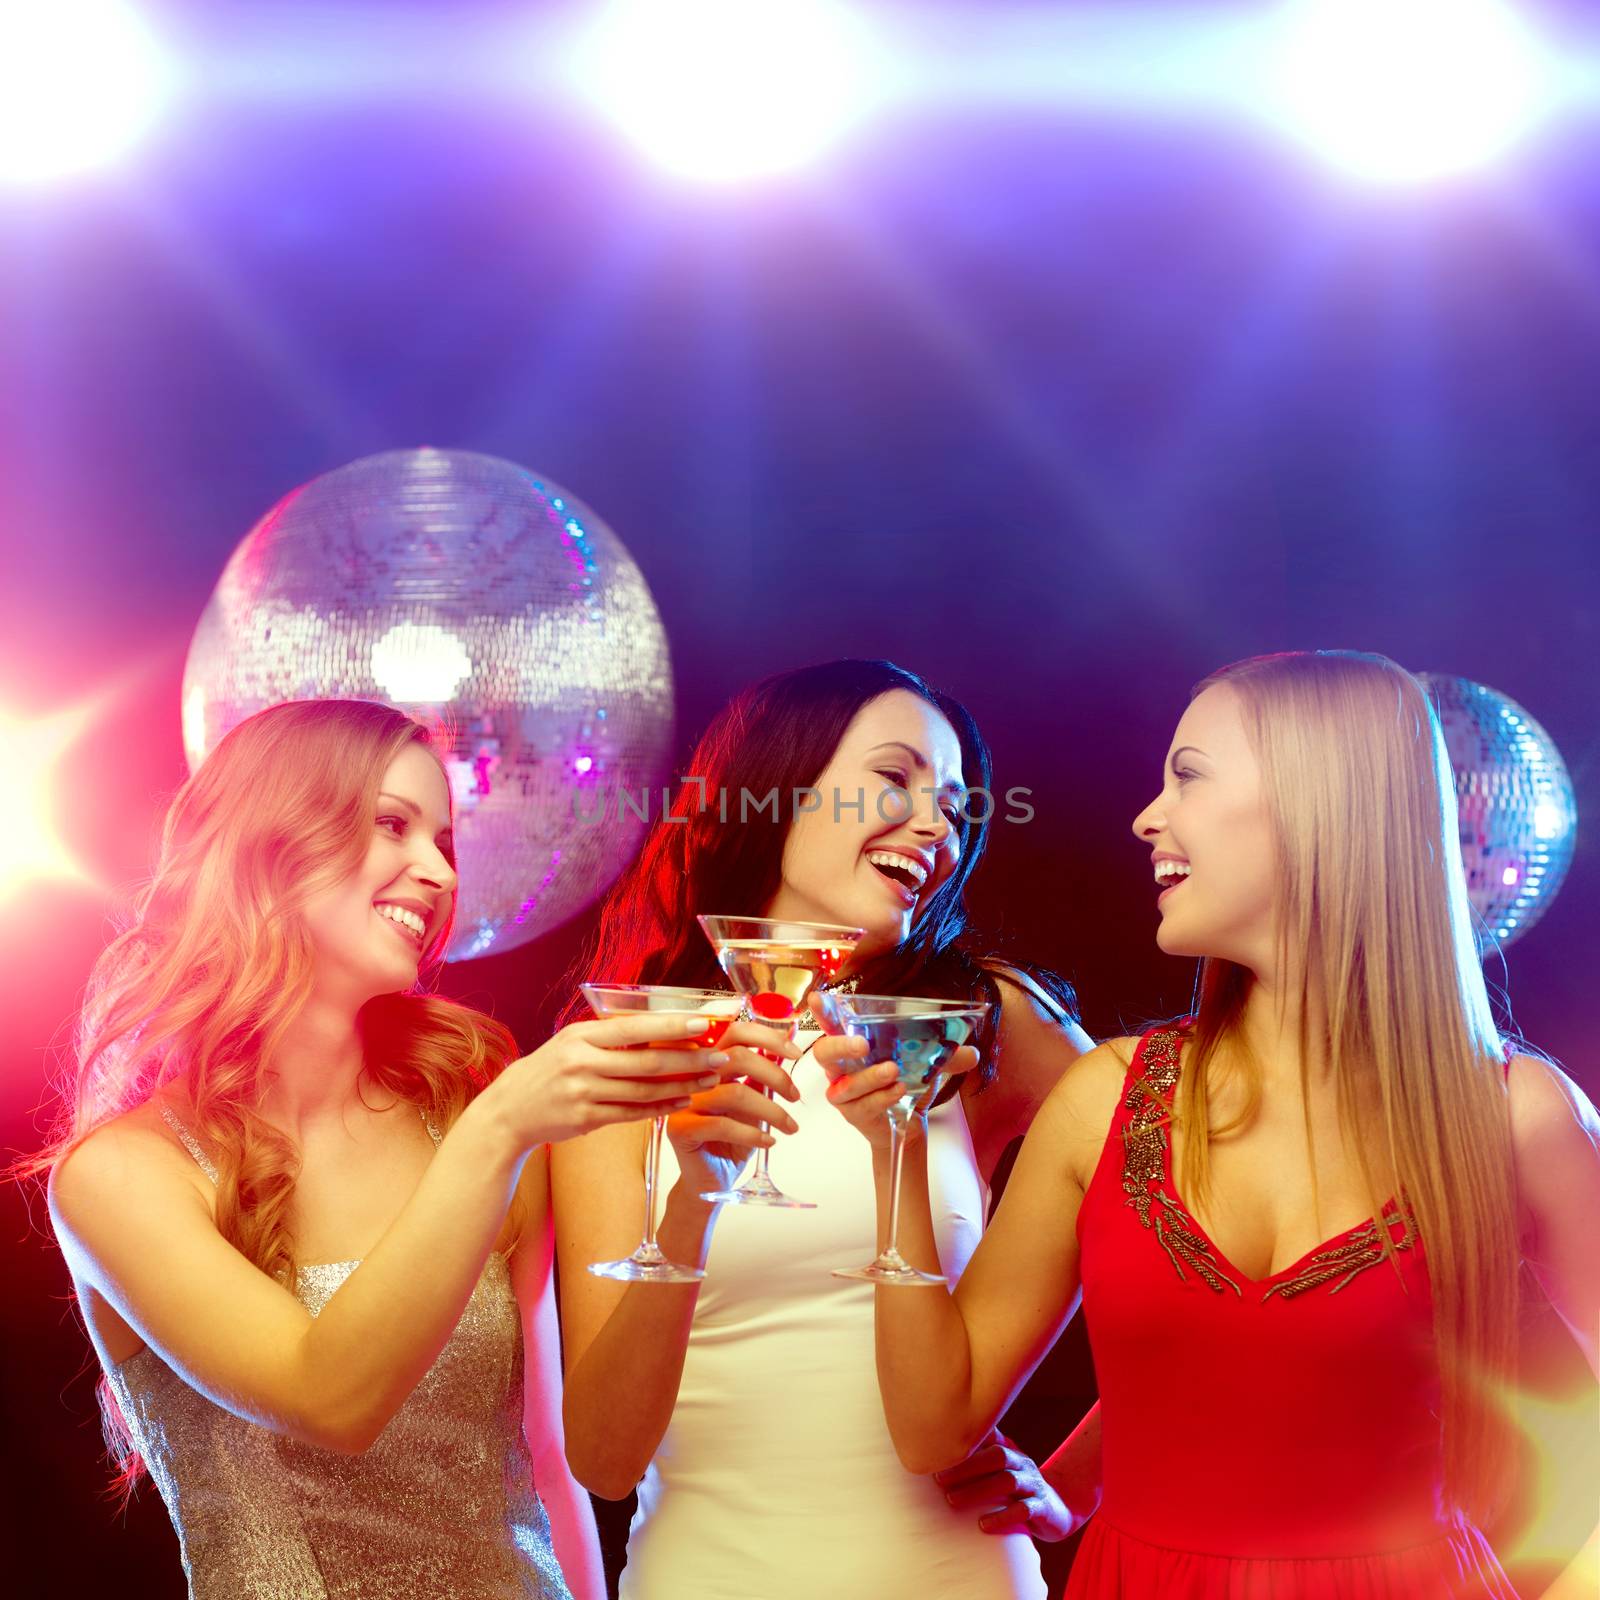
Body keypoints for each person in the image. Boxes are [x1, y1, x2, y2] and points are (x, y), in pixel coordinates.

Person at [840, 650, 1600, 1598]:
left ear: (1321, 805)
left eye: (1188, 776)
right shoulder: (1104, 1098)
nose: (1147, 816)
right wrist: (897, 1149)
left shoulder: (1520, 1114)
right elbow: (932, 1424)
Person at [39, 698, 755, 1600]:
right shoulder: (121, 1175)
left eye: (444, 844)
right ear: (268, 848)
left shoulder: (463, 1106)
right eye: (393, 826)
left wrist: (692, 1195)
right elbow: (327, 1399)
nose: (439, 873)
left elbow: (543, 1457)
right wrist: (502, 1130)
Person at [552, 658, 1096, 1599]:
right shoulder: (630, 1049)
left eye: (958, 807)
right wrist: (691, 1206)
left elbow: (1200, 1244)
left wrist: (1077, 1485)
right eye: (897, 778)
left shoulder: (982, 1022)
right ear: (776, 789)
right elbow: (601, 1458)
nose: (938, 825)